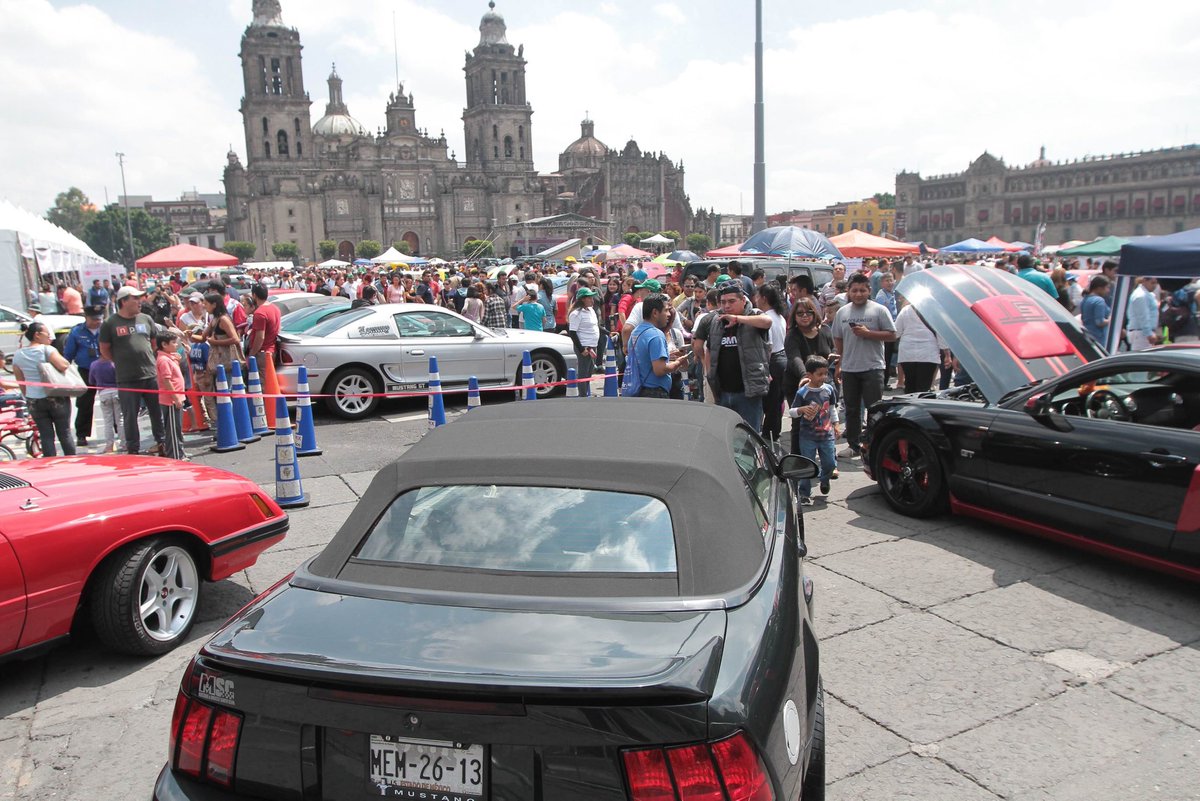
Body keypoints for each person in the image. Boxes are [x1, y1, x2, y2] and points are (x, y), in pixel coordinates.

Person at [832, 272, 896, 457]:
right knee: (851, 410)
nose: (858, 294)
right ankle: (854, 445)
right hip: (850, 369)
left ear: (869, 291)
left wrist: (869, 334)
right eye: (854, 290)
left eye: (862, 290)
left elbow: (892, 335)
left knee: (874, 410)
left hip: (873, 368)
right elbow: (838, 337)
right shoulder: (842, 312)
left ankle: (875, 444)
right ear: (848, 293)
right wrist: (840, 362)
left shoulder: (879, 310)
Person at [98, 286, 164, 455]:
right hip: (127, 377)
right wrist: (119, 361)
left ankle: (161, 442)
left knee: (156, 411)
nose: (139, 301)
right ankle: (133, 448)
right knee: (130, 416)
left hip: (149, 373)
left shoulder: (146, 319)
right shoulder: (110, 323)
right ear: (124, 301)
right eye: (135, 298)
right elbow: (105, 349)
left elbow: (154, 343)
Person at [704, 282, 772, 429]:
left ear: (743, 301)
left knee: (749, 438)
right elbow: (709, 350)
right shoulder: (717, 322)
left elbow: (767, 321)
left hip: (748, 393)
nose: (727, 306)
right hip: (723, 392)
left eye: (731, 301)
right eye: (723, 302)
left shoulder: (754, 315)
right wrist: (710, 376)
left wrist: (738, 319)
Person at [11, 322, 77, 457]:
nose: (50, 337)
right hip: (55, 397)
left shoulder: (18, 355)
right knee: (64, 433)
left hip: (34, 400)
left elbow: (20, 381)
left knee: (46, 435)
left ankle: (50, 465)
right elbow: (63, 365)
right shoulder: (47, 350)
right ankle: (71, 462)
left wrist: (29, 396)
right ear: (37, 335)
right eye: (47, 334)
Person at [787, 355, 840, 505]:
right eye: (820, 374)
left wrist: (836, 424)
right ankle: (804, 493)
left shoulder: (829, 390)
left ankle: (824, 479)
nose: (823, 377)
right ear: (809, 375)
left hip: (826, 435)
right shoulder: (802, 392)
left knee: (830, 463)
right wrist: (802, 410)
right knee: (808, 465)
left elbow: (832, 408)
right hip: (808, 436)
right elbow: (792, 412)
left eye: (826, 373)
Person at [622, 294, 687, 399]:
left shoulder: (636, 332)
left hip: (638, 390)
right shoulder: (656, 334)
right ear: (655, 313)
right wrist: (679, 362)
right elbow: (660, 370)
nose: (669, 314)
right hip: (655, 392)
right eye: (666, 310)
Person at [63, 305, 104, 446]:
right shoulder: (76, 332)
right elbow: (68, 354)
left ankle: (118, 431)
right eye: (94, 319)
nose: (97, 322)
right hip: (86, 370)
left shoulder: (105, 329)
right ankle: (82, 434)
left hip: (105, 369)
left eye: (99, 319)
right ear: (86, 317)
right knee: (85, 403)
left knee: (113, 401)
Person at [755, 283, 789, 443]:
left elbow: (768, 346)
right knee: (777, 400)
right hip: (782, 359)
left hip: (773, 360)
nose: (755, 299)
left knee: (771, 403)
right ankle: (774, 432)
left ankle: (769, 435)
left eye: (757, 296)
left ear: (764, 298)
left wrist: (765, 369)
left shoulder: (767, 318)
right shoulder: (779, 316)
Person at [894, 302, 947, 393]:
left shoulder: (905, 310)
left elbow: (896, 332)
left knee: (909, 385)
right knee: (923, 387)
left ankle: (909, 405)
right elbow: (940, 334)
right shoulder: (935, 311)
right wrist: (947, 353)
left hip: (908, 352)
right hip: (928, 353)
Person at [155, 328, 187, 461]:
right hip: (171, 400)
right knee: (173, 429)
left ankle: (180, 452)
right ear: (164, 344)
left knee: (177, 428)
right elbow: (167, 380)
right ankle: (175, 455)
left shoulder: (169, 358)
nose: (176, 345)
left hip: (177, 398)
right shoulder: (164, 360)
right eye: (173, 343)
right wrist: (175, 397)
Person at [567, 287, 601, 397]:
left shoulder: (591, 310)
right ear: (582, 299)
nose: (592, 300)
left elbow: (597, 326)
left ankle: (586, 392)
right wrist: (581, 349)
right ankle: (583, 395)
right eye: (589, 298)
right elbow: (572, 333)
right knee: (583, 372)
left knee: (589, 372)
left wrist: (608, 332)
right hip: (584, 346)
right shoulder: (576, 314)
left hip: (592, 345)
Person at [88, 353, 123, 453]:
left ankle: (109, 445)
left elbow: (91, 381)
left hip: (103, 393)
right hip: (116, 392)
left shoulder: (94, 365)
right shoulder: (114, 363)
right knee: (120, 420)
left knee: (108, 422)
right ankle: (124, 443)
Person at [247, 283, 282, 364]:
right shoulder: (275, 308)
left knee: (261, 376)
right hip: (272, 350)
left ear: (254, 295)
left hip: (262, 353)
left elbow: (260, 337)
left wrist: (251, 354)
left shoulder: (260, 313)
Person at [1126, 277, 1160, 351]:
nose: (1154, 285)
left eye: (1156, 283)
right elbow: (1143, 316)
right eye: (1152, 283)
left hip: (1143, 332)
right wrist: (1149, 334)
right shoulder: (1141, 296)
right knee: (1140, 359)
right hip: (1141, 333)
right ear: (1144, 281)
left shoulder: (1147, 294)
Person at [1081, 275, 1111, 347]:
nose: (1108, 290)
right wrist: (1111, 319)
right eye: (1107, 287)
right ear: (1099, 288)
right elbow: (1100, 322)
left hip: (1087, 336)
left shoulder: (1085, 299)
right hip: (1098, 338)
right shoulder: (1099, 301)